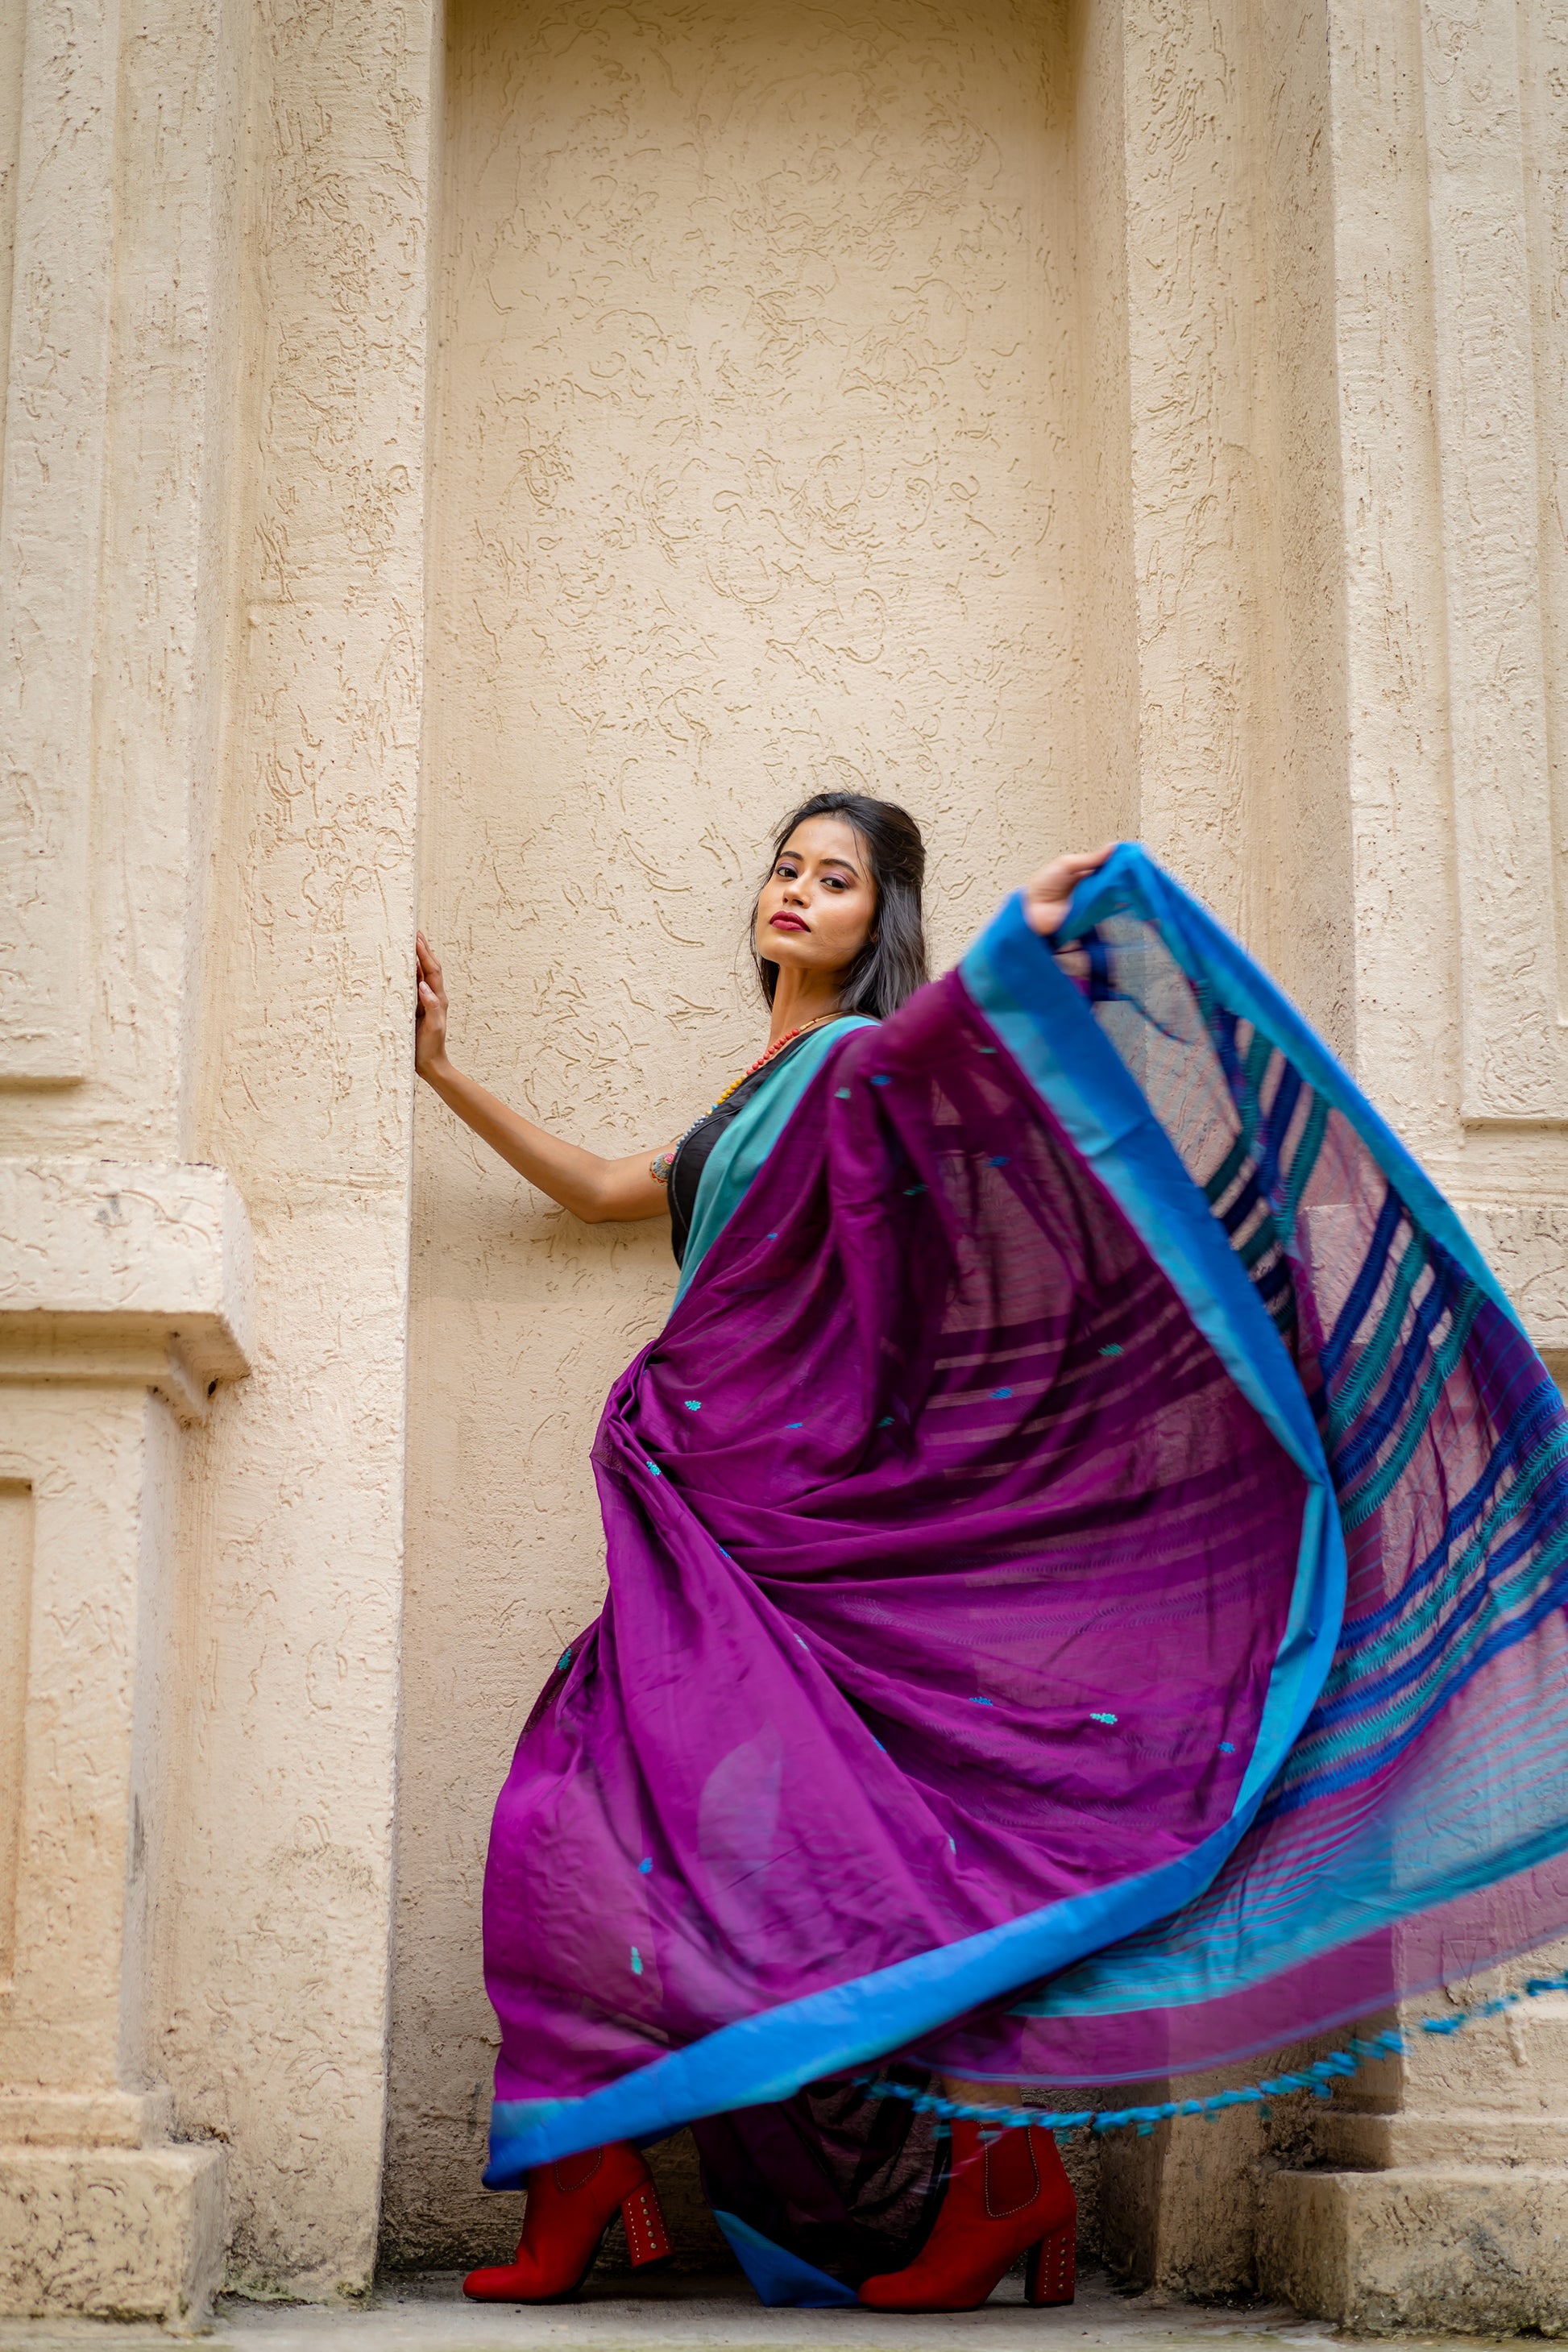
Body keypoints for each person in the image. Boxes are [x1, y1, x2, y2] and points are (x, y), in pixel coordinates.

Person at [415, 796, 1568, 2312]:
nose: (796, 892)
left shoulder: (841, 1062)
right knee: (576, 1804)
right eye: (784, 866)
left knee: (813, 1851)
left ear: (875, 923)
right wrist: (440, 1073)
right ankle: (592, 2150)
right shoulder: (753, 1081)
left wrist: (1007, 952)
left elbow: (912, 1063)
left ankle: (978, 2176)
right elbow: (610, 1189)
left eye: (837, 881)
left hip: (778, 1522)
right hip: (703, 1505)